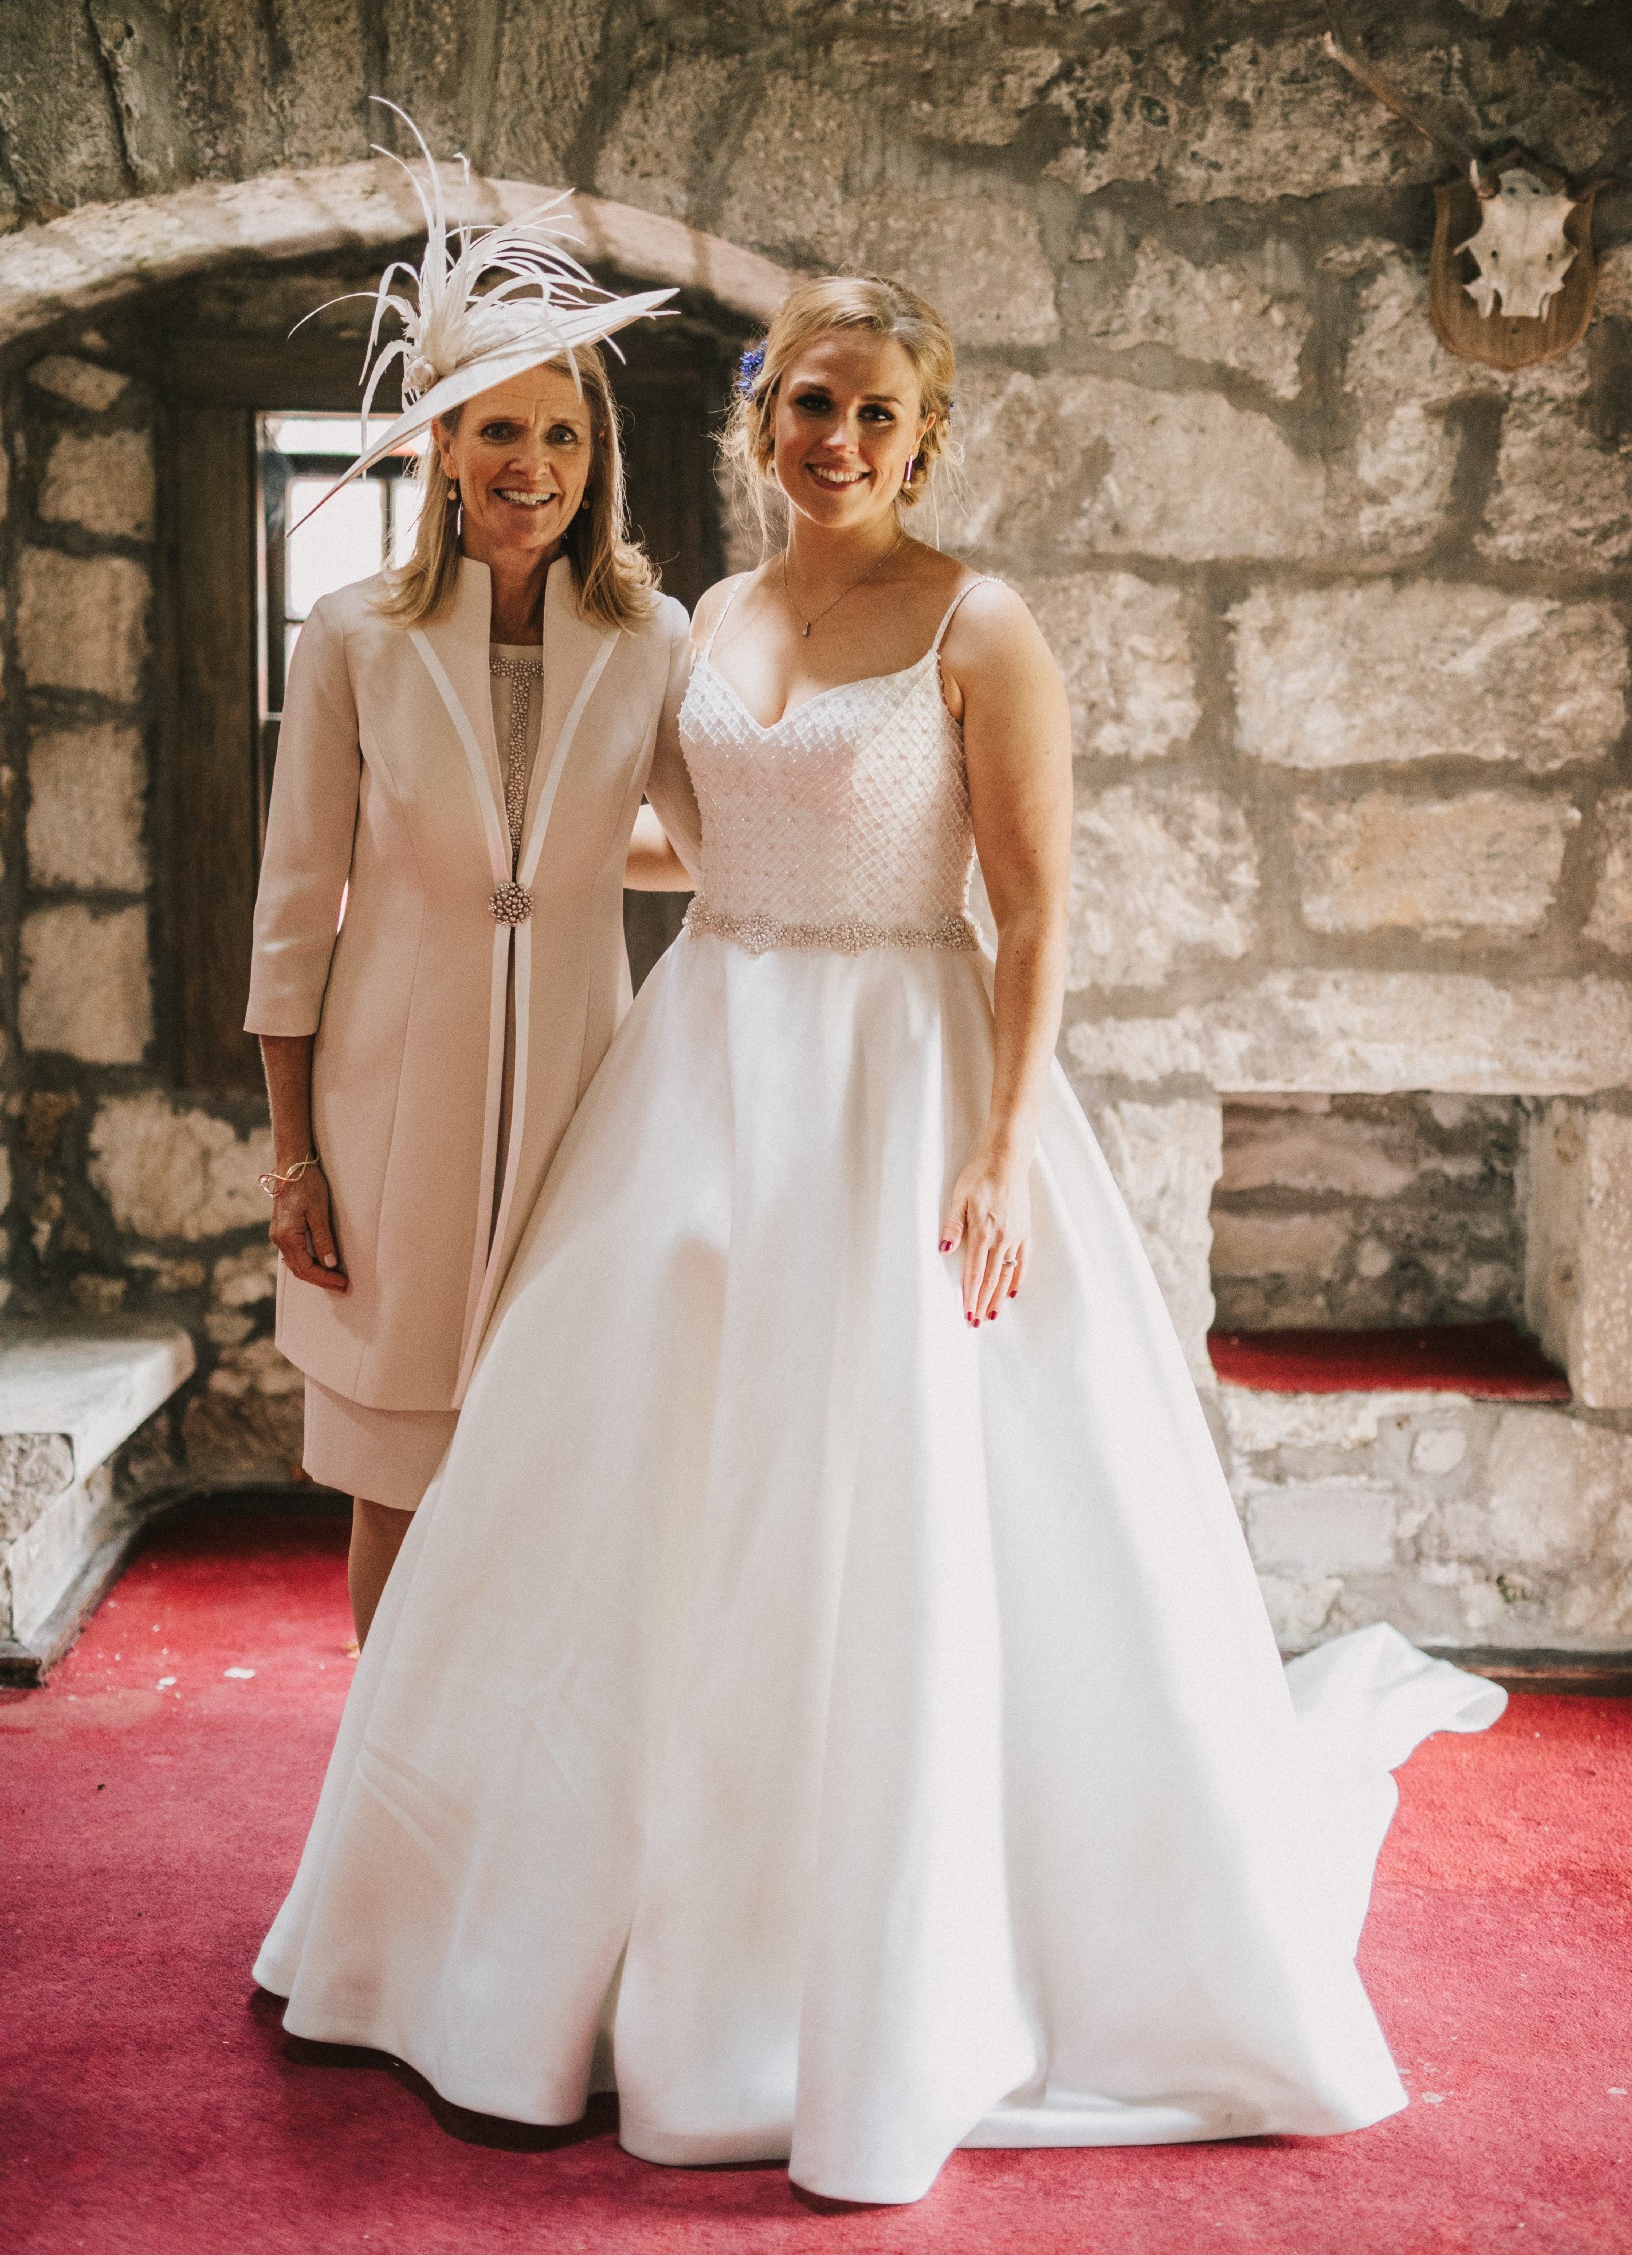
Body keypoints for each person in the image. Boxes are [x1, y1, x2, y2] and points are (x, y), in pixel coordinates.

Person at [254, 274, 1503, 2205]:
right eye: (806, 404)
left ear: (923, 439)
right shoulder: (702, 624)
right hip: (705, 1071)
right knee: (624, 1488)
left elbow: (1038, 904)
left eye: (871, 415)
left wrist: (1001, 1155)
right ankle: (532, 1935)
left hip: (906, 1078)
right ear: (763, 424)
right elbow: (660, 834)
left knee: (902, 1501)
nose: (833, 438)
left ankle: (882, 1952)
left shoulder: (982, 623)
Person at [247, 115, 697, 1641]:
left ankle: (536, 1815)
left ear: (597, 462)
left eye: (563, 437)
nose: (534, 465)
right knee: (400, 1478)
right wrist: (292, 1152)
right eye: (499, 431)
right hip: (391, 1110)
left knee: (566, 1474)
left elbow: (708, 843)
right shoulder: (354, 637)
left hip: (586, 1100)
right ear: (441, 442)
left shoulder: (654, 642)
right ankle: (391, 1813)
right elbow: (296, 905)